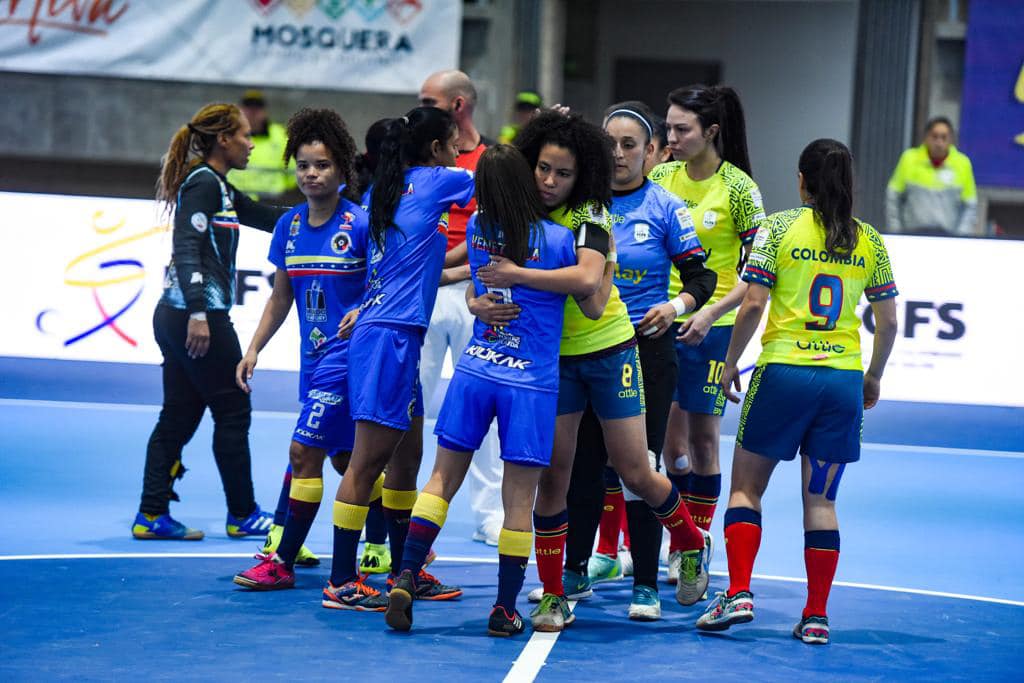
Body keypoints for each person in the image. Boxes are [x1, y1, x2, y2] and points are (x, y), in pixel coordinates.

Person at [478, 111, 713, 632]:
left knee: (634, 470)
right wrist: (477, 301)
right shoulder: (519, 212)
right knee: (555, 475)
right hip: (552, 360)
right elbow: (483, 270)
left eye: (562, 174)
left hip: (610, 350)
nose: (550, 182)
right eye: (542, 169)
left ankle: (691, 542)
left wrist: (520, 273)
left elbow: (588, 291)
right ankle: (555, 594)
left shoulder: (592, 212)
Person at [383, 144, 596, 636]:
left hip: (477, 369)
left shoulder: (479, 228)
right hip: (531, 382)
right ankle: (503, 608)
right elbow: (591, 298)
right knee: (518, 499)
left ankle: (407, 574)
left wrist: (478, 305)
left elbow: (477, 287)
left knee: (440, 481)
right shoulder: (563, 240)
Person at [695, 138, 899, 645]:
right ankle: (815, 616)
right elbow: (889, 321)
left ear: (801, 180)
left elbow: (752, 303)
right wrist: (872, 375)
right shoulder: (869, 240)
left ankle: (739, 592)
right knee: (822, 503)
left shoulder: (781, 227)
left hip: (784, 374)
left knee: (745, 489)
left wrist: (729, 362)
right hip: (842, 381)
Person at [562, 101, 716, 621]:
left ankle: (647, 585)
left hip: (645, 352)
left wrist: (674, 308)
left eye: (631, 145)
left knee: (639, 468)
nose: (619, 154)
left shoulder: (666, 207)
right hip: (584, 347)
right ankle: (575, 569)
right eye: (610, 144)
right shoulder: (581, 203)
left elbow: (702, 278)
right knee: (581, 466)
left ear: (652, 151)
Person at [322, 106, 474, 612]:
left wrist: (478, 258)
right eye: (454, 142)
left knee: (407, 457)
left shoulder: (383, 190)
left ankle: (406, 569)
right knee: (367, 463)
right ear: (435, 150)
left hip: (392, 332)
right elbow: (497, 183)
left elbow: (425, 260)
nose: (459, 150)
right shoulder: (436, 180)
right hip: (390, 338)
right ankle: (342, 580)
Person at [229, 107, 370, 589]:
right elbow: (280, 297)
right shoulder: (289, 226)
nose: (311, 174)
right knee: (346, 460)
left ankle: (281, 559)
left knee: (303, 451)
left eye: (322, 165)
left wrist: (367, 314)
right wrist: (253, 350)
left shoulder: (363, 224)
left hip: (350, 361)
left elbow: (388, 285)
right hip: (312, 363)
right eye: (304, 165)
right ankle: (406, 539)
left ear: (342, 170)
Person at [133, 103, 283, 541]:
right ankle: (243, 514)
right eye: (245, 136)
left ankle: (151, 513)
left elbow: (268, 217)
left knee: (179, 414)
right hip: (194, 316)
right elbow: (186, 249)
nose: (252, 145)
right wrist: (199, 313)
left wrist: (326, 209)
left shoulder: (220, 187)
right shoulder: (202, 184)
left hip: (180, 314)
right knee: (233, 409)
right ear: (224, 140)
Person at [649, 84, 765, 582]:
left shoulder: (739, 188)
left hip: (710, 328)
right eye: (668, 128)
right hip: (659, 323)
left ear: (711, 131)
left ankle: (693, 545)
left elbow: (756, 270)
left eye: (681, 129)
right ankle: (681, 535)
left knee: (701, 442)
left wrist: (710, 312)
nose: (670, 138)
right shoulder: (660, 176)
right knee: (663, 443)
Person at [418, 69, 504, 546]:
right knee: (408, 403)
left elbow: (499, 230)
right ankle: (398, 509)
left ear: (456, 105)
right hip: (424, 295)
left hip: (476, 292)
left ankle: (489, 513)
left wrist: (452, 273)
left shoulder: (492, 161)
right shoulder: (417, 159)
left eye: (427, 99)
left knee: (484, 405)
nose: (418, 105)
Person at [886, 116, 978, 236]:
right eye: (934, 136)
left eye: (944, 137)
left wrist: (960, 237)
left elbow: (970, 206)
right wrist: (896, 232)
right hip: (911, 236)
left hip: (948, 238)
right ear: (926, 138)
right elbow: (893, 198)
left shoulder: (962, 164)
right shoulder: (909, 159)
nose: (939, 142)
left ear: (951, 140)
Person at [228, 90, 298, 202]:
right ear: (239, 110)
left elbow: (293, 173)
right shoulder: (228, 133)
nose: (252, 112)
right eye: (248, 107)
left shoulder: (280, 135)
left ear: (265, 111)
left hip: (271, 202)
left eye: (257, 108)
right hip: (234, 200)